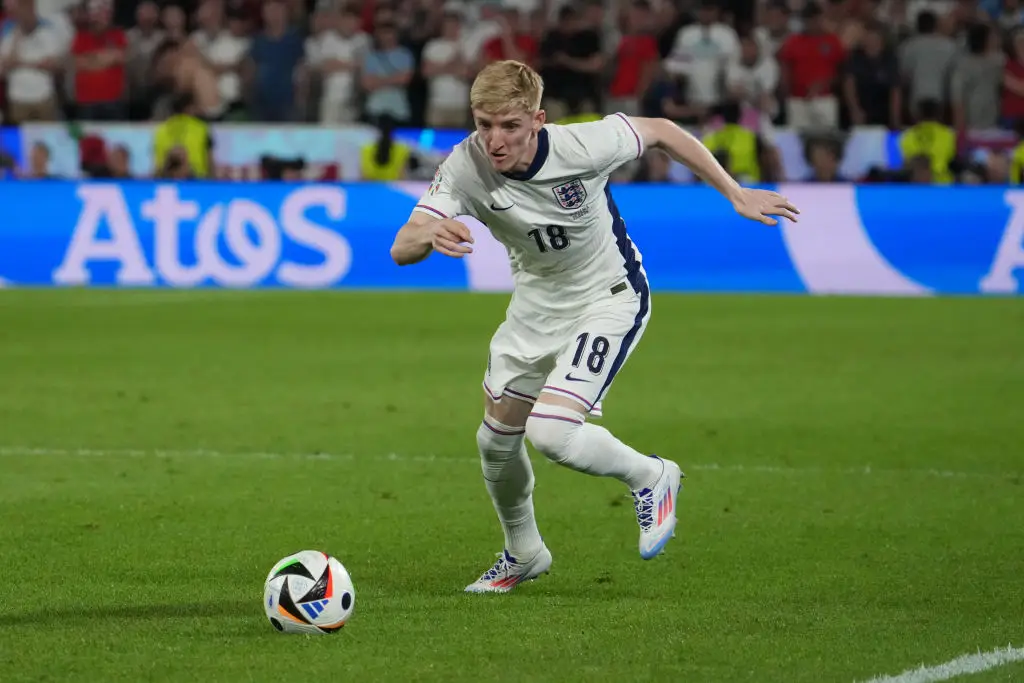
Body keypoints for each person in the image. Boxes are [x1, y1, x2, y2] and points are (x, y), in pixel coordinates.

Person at [389, 60, 799, 594]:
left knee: (550, 432)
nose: (495, 139)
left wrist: (736, 192)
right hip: (535, 308)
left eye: (510, 125)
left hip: (607, 297)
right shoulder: (465, 165)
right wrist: (428, 235)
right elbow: (402, 246)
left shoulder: (582, 145)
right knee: (495, 442)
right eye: (484, 124)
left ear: (537, 120)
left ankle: (651, 475)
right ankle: (523, 552)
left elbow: (663, 131)